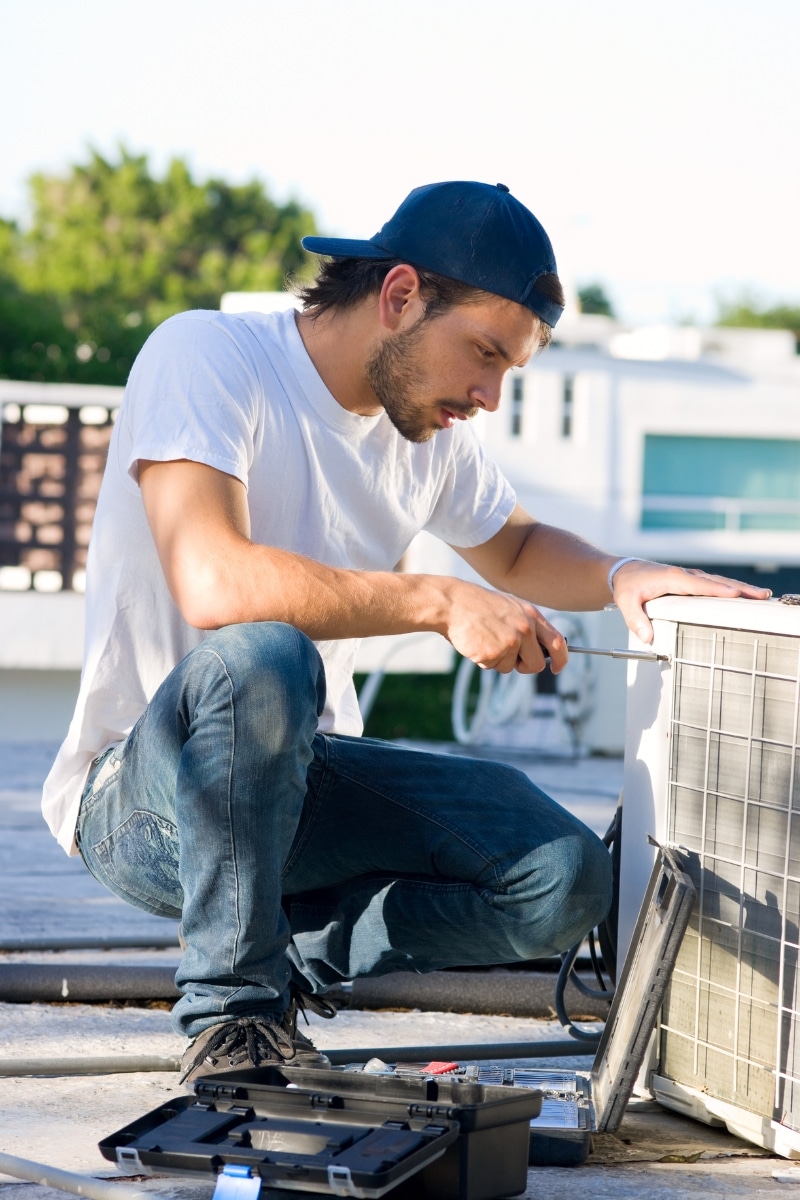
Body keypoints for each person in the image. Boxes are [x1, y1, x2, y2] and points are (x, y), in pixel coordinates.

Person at [41, 180, 770, 1083]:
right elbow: (214, 579)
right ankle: (235, 1014)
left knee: (564, 877)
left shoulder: (424, 438)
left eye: (511, 370)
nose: (491, 395)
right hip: (143, 796)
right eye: (484, 353)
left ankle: (282, 946)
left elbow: (517, 544)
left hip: (299, 784)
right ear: (399, 296)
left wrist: (626, 577)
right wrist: (438, 601)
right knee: (262, 656)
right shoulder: (206, 354)